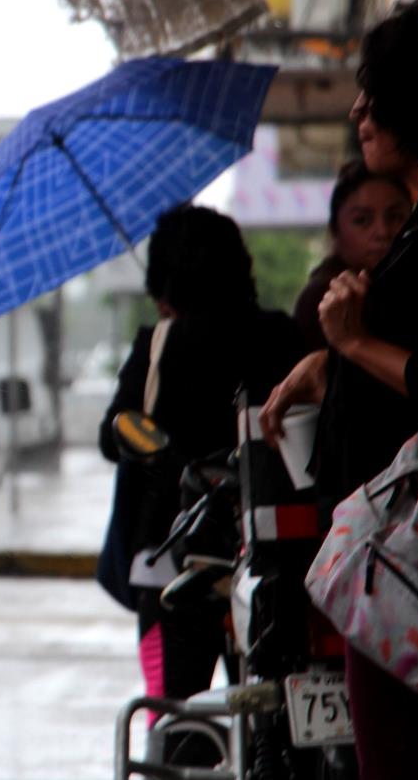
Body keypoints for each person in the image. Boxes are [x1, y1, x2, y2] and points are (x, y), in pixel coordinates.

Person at [259, 0, 418, 780]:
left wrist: (352, 344)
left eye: (374, 92)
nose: (356, 110)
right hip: (397, 565)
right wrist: (328, 363)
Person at [98, 205, 303, 736]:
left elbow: (113, 435)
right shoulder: (283, 337)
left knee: (177, 722)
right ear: (242, 266)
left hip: (171, 566)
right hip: (269, 560)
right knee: (268, 722)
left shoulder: (159, 345)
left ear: (164, 279)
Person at [292, 159, 411, 351]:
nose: (382, 232)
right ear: (335, 231)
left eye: (395, 217)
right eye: (362, 220)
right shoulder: (323, 300)